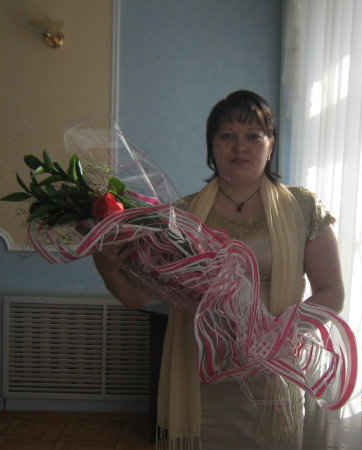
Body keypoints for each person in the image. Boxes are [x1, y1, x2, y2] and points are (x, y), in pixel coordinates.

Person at [93, 90, 344, 449]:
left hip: (275, 368)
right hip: (202, 373)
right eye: (227, 135)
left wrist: (275, 335)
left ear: (271, 145)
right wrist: (108, 267)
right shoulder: (181, 215)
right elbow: (139, 296)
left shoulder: (303, 207)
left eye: (253, 136)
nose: (240, 146)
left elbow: (332, 292)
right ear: (212, 146)